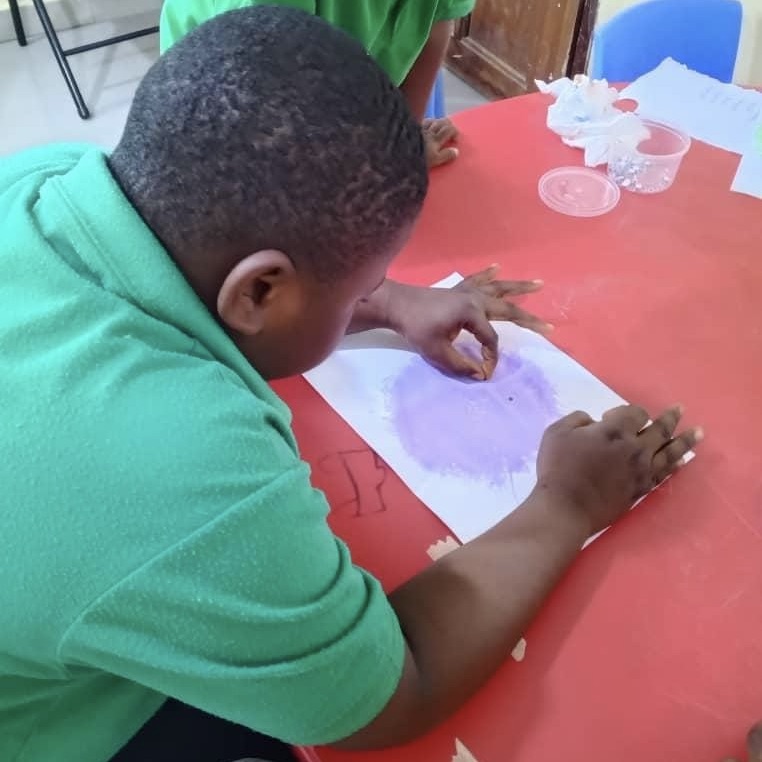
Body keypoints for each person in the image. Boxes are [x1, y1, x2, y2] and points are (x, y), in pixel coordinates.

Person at [0, 7, 701, 762]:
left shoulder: (45, 181)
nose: (371, 298)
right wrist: (568, 503)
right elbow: (389, 694)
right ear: (259, 292)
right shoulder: (186, 470)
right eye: (362, 288)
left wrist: (391, 304)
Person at [159, 0, 471, 168]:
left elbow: (438, 22)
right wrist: (368, 164)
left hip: (339, 90)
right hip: (228, 112)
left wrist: (402, 147)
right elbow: (263, 125)